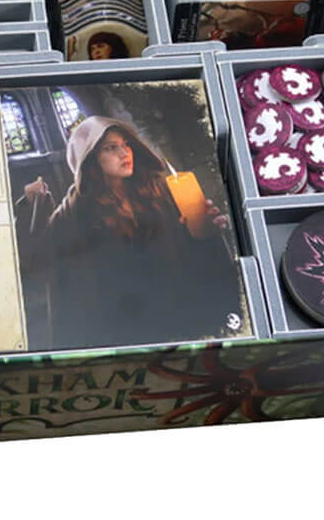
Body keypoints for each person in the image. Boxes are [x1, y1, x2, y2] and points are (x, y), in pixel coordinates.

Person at [15, 116, 241, 351]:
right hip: (123, 324)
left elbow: (186, 249)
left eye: (126, 144)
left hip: (176, 306)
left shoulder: (156, 189)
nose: (125, 153)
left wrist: (204, 231)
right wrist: (33, 204)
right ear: (90, 160)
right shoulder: (74, 212)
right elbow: (40, 261)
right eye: (111, 148)